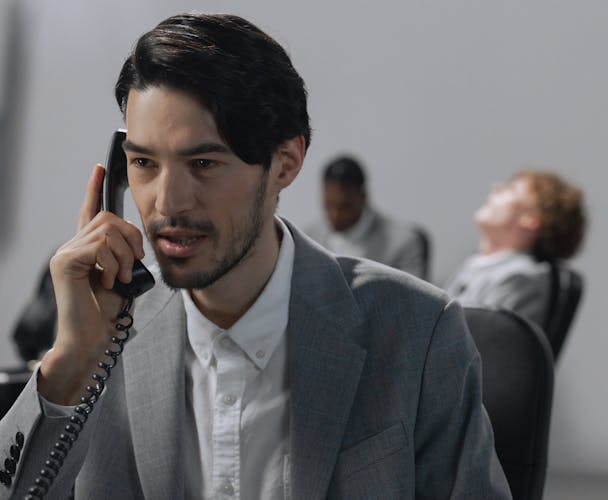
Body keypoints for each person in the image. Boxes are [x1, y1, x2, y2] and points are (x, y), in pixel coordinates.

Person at [0, 13, 509, 499]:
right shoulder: (105, 337)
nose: (167, 201)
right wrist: (69, 362)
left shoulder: (417, 330)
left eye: (202, 163)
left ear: (285, 162)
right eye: (143, 163)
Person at [445, 170, 586, 327]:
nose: (496, 187)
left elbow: (482, 342)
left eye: (511, 189)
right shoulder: (476, 265)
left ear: (531, 219)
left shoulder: (521, 278)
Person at [305, 155, 431, 280]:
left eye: (345, 207)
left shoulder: (402, 242)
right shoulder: (309, 238)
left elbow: (414, 298)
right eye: (328, 205)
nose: (335, 215)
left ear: (363, 198)